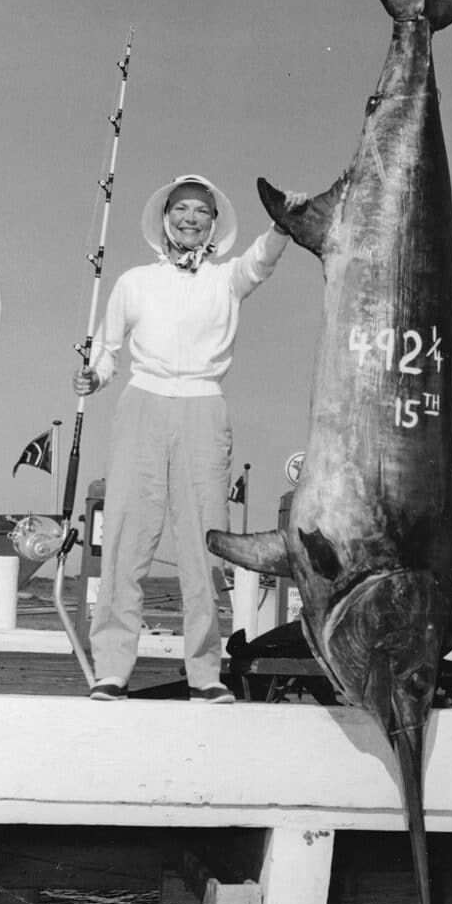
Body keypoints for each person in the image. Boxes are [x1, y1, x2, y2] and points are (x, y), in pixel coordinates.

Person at [72, 173, 292, 703]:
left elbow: (262, 258)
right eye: (181, 210)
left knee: (203, 545)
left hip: (203, 406)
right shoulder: (132, 281)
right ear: (164, 220)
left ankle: (205, 674)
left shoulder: (228, 279)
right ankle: (112, 670)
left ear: (214, 225)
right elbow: (107, 349)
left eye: (201, 211)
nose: (190, 218)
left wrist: (284, 222)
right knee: (126, 539)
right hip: (140, 404)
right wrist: (95, 377)